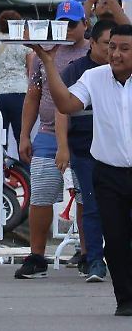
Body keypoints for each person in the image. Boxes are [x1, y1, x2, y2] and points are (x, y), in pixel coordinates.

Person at [28, 24, 132, 317]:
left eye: (124, 48)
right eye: (112, 47)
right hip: (108, 172)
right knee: (115, 238)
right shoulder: (93, 76)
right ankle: (125, 299)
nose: (116, 54)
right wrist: (48, 63)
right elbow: (66, 104)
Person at [15, 0, 90, 280]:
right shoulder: (41, 54)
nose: (67, 30)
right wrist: (24, 134)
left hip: (85, 133)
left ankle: (88, 253)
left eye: (72, 24)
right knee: (41, 194)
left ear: (86, 24)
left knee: (85, 195)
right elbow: (33, 95)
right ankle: (36, 256)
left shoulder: (95, 52)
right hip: (47, 131)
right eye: (61, 24)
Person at [53, 19, 114, 282]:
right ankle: (94, 262)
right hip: (84, 149)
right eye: (108, 45)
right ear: (92, 41)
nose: (114, 52)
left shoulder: (125, 70)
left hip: (120, 151)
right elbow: (62, 108)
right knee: (91, 206)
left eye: (119, 46)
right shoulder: (78, 71)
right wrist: (63, 147)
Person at [0, 10, 30, 164]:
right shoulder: (24, 44)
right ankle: (26, 173)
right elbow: (31, 70)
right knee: (22, 136)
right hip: (20, 95)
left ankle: (1, 173)